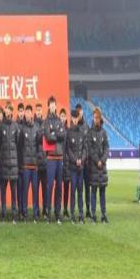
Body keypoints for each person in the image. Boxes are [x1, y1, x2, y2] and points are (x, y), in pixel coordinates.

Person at [44, 96, 66, 224]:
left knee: (59, 187)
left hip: (60, 158)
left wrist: (54, 133)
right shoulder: (46, 121)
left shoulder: (59, 121)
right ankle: (48, 213)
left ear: (55, 106)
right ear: (48, 106)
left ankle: (58, 214)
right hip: (51, 158)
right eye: (51, 105)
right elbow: (48, 137)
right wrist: (55, 134)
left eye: (54, 104)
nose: (52, 107)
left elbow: (63, 135)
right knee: (50, 186)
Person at [0, 102, 20, 224]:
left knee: (14, 192)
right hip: (4, 164)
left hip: (13, 165)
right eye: (6, 109)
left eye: (9, 109)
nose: (7, 111)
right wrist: (1, 161)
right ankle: (3, 214)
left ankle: (14, 215)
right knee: (3, 191)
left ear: (11, 111)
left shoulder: (16, 126)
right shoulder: (1, 126)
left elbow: (18, 143)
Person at [18, 105, 41, 222]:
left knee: (35, 191)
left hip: (34, 165)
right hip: (26, 165)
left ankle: (36, 213)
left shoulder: (37, 128)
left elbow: (39, 145)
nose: (27, 114)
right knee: (25, 191)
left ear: (32, 114)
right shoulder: (22, 129)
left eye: (29, 112)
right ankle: (25, 212)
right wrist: (22, 162)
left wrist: (37, 160)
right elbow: (20, 146)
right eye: (26, 112)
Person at [87, 107, 109, 223]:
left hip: (102, 167)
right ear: (93, 118)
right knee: (93, 191)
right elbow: (90, 149)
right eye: (94, 117)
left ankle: (104, 214)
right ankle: (93, 214)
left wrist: (102, 160)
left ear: (100, 119)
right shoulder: (90, 132)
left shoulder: (104, 132)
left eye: (98, 117)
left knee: (102, 192)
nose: (96, 119)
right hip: (94, 167)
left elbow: (107, 148)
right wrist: (97, 161)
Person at [65, 109, 87, 224]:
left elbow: (85, 149)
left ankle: (81, 214)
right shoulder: (68, 132)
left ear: (78, 118)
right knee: (72, 191)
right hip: (72, 168)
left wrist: (81, 159)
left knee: (80, 191)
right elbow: (68, 149)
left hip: (80, 168)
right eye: (73, 118)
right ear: (71, 118)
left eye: (76, 118)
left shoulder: (82, 132)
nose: (74, 120)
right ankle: (72, 214)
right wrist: (75, 160)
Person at [76, 103, 91, 218]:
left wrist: (87, 157)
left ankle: (88, 210)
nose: (79, 113)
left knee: (87, 187)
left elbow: (89, 144)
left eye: (80, 111)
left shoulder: (87, 126)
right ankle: (80, 210)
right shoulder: (74, 126)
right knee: (79, 188)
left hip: (87, 163)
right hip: (78, 163)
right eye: (78, 111)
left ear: (82, 112)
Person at [34, 103, 48, 218]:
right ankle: (36, 210)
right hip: (36, 163)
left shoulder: (45, 124)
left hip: (45, 162)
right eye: (37, 110)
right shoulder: (33, 125)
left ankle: (45, 209)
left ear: (42, 111)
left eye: (40, 110)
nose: (38, 112)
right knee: (36, 189)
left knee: (45, 188)